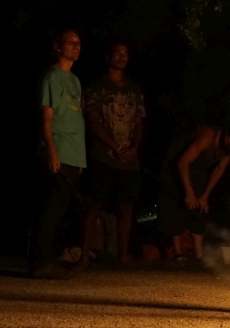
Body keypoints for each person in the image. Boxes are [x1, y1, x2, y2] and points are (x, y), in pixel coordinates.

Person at [77, 39, 146, 270]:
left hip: (129, 159)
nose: (122, 57)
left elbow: (138, 121)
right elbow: (93, 121)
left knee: (127, 208)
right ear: (108, 57)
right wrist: (114, 146)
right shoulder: (97, 86)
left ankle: (122, 255)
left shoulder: (134, 89)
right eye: (117, 52)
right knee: (94, 204)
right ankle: (84, 255)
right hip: (103, 156)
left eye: (125, 53)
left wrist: (134, 147)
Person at [30, 29, 86, 280]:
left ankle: (51, 259)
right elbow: (46, 116)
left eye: (78, 43)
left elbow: (76, 117)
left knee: (63, 209)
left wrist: (80, 158)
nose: (76, 46)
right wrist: (51, 150)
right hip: (58, 150)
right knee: (51, 208)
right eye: (70, 42)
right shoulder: (51, 77)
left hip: (74, 154)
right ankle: (40, 262)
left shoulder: (74, 81)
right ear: (58, 46)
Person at [157, 124, 230, 263]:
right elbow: (183, 162)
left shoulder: (229, 151)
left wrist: (205, 196)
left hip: (198, 173)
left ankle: (199, 258)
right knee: (174, 208)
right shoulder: (208, 136)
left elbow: (219, 169)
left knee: (200, 211)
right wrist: (189, 193)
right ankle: (178, 255)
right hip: (176, 170)